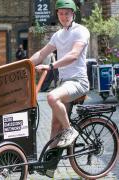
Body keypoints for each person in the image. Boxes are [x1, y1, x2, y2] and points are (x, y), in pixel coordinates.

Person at [30, 0, 90, 176]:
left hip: (78, 82)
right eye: (61, 13)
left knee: (52, 97)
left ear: (73, 14)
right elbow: (41, 54)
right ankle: (49, 167)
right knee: (55, 126)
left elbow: (73, 55)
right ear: (57, 15)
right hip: (65, 83)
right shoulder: (58, 35)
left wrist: (50, 66)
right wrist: (24, 64)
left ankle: (70, 130)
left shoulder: (81, 31)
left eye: (67, 13)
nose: (64, 16)